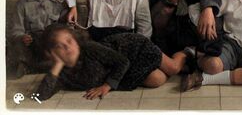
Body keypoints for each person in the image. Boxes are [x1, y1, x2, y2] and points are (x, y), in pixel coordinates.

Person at [36, 24, 191, 100]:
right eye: (59, 46)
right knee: (156, 79)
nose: (68, 48)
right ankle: (162, 60)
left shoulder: (89, 48)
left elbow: (122, 61)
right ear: (52, 53)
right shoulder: (62, 74)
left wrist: (107, 86)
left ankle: (183, 53)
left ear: (75, 41)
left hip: (131, 48)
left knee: (173, 69)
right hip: (122, 71)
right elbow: (40, 96)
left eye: (69, 41)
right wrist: (56, 66)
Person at [8, 0, 67, 78]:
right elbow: (16, 29)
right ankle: (28, 66)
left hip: (53, 46)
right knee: (18, 46)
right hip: (32, 46)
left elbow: (66, 28)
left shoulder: (62, 1)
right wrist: (22, 37)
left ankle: (43, 67)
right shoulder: (23, 2)